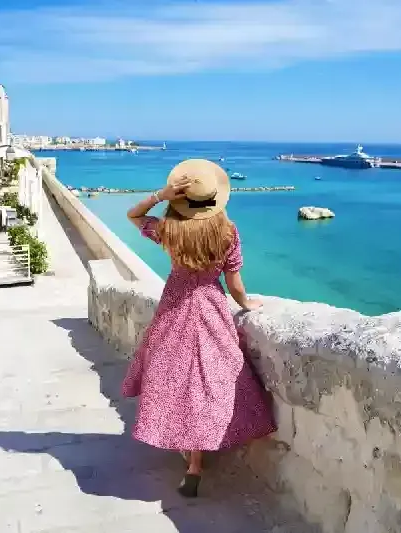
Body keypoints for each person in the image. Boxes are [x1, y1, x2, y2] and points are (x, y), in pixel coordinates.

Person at [122, 159, 277, 498]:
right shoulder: (228, 231)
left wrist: (159, 196)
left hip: (174, 305)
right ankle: (197, 459)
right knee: (212, 378)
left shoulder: (169, 229)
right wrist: (247, 304)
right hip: (210, 306)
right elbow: (234, 282)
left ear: (180, 199)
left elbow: (133, 216)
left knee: (175, 378)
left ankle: (188, 452)